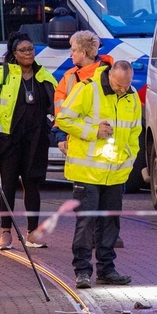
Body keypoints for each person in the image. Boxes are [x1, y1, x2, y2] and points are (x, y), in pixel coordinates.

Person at [55, 60, 142, 289]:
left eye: (127, 85)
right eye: (119, 85)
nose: (123, 90)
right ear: (111, 75)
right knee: (87, 222)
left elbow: (135, 132)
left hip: (115, 173)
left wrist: (130, 158)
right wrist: (95, 131)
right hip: (87, 171)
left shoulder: (131, 96)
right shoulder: (87, 89)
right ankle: (82, 271)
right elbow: (63, 119)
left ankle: (107, 269)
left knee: (110, 222)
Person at [0, 32, 58, 250]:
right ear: (14, 53)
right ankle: (6, 233)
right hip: (8, 139)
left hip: (35, 140)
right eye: (23, 50)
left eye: (31, 49)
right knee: (8, 186)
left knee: (33, 184)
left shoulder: (44, 76)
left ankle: (32, 232)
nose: (28, 53)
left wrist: (49, 126)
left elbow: (58, 104)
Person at [49, 30, 126, 249]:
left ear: (83, 52)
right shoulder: (70, 77)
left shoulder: (109, 76)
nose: (70, 54)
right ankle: (95, 250)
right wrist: (61, 136)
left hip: (106, 155)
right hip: (82, 152)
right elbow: (61, 111)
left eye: (73, 50)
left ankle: (103, 250)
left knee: (102, 210)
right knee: (86, 210)